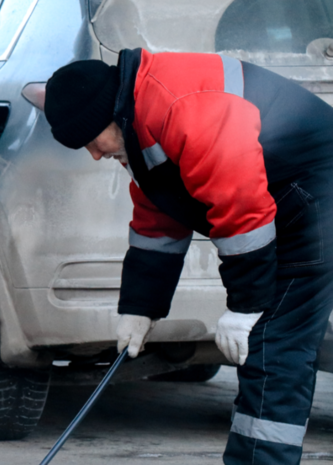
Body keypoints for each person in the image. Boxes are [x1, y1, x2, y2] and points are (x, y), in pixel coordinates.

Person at [43, 48, 333, 464]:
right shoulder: (140, 116)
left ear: (108, 114)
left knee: (272, 349)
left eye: (92, 139)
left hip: (315, 201)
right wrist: (141, 307)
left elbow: (241, 203)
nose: (94, 153)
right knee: (273, 348)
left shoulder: (181, 107)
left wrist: (245, 307)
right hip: (294, 202)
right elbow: (159, 215)